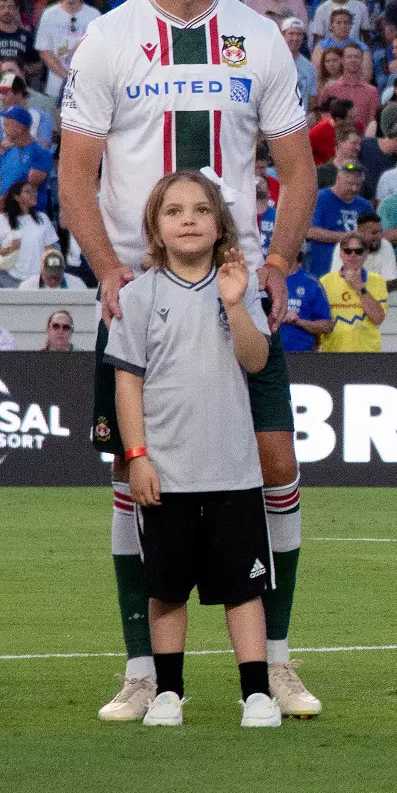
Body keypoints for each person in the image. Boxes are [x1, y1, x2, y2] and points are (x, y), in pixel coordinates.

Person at [58, 0, 322, 723]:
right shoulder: (108, 39)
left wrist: (279, 261)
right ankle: (144, 669)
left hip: (235, 288)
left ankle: (274, 662)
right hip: (143, 290)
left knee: (275, 464)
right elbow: (76, 172)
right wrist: (106, 270)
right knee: (136, 478)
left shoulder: (259, 38)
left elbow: (297, 167)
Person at [107, 171, 282, 728]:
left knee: (242, 588)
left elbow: (256, 361)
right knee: (166, 588)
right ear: (156, 227)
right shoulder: (138, 297)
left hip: (232, 468)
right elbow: (127, 383)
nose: (188, 219)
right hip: (166, 471)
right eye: (174, 211)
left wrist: (234, 304)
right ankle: (168, 692)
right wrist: (136, 456)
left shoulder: (240, 285)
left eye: (201, 210)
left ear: (219, 224)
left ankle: (257, 693)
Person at [317, 233, 388, 351]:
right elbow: (319, 323)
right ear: (341, 253)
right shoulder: (325, 282)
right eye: (348, 251)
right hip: (333, 353)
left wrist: (359, 286)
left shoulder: (377, 281)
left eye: (358, 251)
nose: (353, 255)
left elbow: (378, 318)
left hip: (367, 354)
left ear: (366, 254)